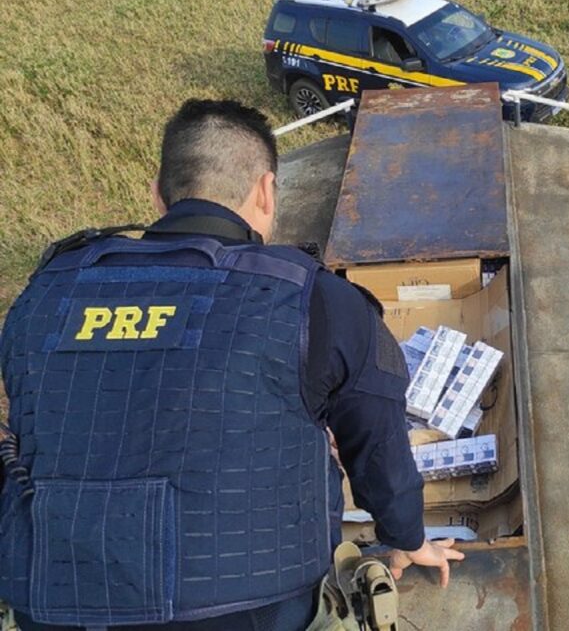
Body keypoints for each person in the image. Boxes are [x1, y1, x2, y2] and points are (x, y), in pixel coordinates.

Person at [0, 99, 462, 630]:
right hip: (250, 611)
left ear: (158, 193)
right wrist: (407, 538)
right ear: (266, 190)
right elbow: (376, 443)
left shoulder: (44, 295)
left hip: (54, 605)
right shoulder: (317, 299)